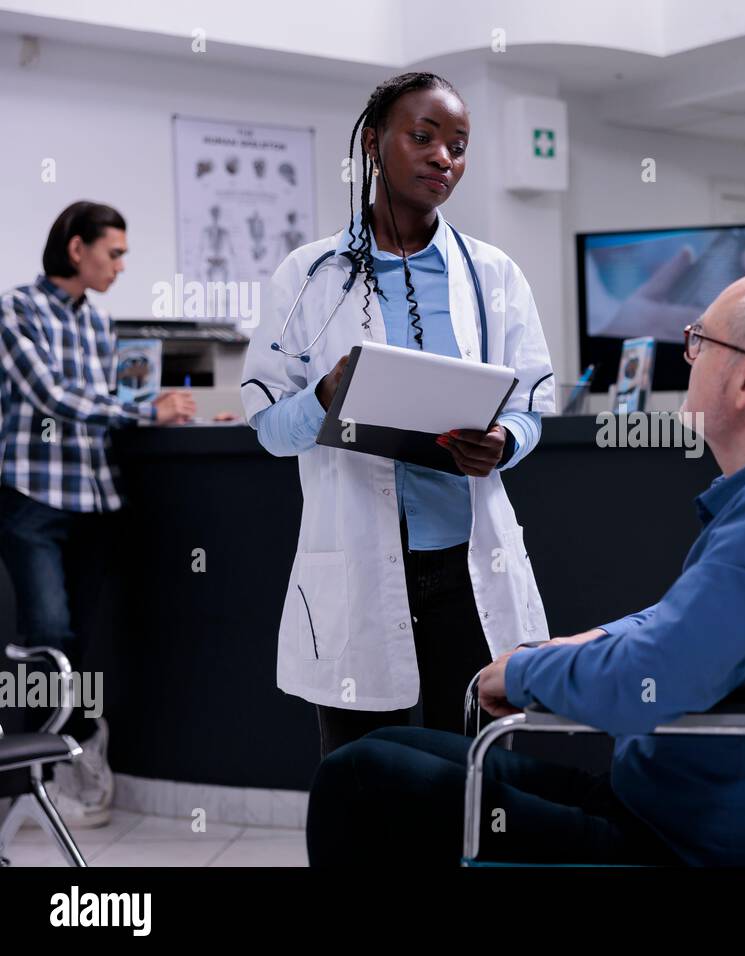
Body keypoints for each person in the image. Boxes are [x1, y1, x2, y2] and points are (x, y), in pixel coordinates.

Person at [305, 266, 745, 867]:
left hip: (675, 837)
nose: (689, 357)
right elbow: (694, 622)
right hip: (709, 805)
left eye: (700, 342)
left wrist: (525, 674)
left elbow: (647, 679)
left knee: (359, 778)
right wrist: (595, 638)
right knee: (391, 747)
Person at [240, 73, 556, 758]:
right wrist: (324, 397)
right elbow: (267, 423)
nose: (444, 157)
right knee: (364, 777)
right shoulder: (307, 275)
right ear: (374, 144)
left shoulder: (494, 274)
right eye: (424, 137)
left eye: (459, 145)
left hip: (465, 570)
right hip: (355, 562)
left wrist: (504, 443)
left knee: (474, 769)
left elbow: (533, 402)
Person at [0, 201, 196, 827]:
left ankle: (78, 748)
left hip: (96, 501)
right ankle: (39, 770)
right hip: (32, 498)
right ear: (77, 248)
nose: (120, 265)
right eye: (113, 253)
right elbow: (54, 398)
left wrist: (156, 403)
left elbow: (106, 397)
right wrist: (145, 412)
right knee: (48, 634)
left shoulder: (99, 323)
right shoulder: (16, 311)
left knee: (84, 640)